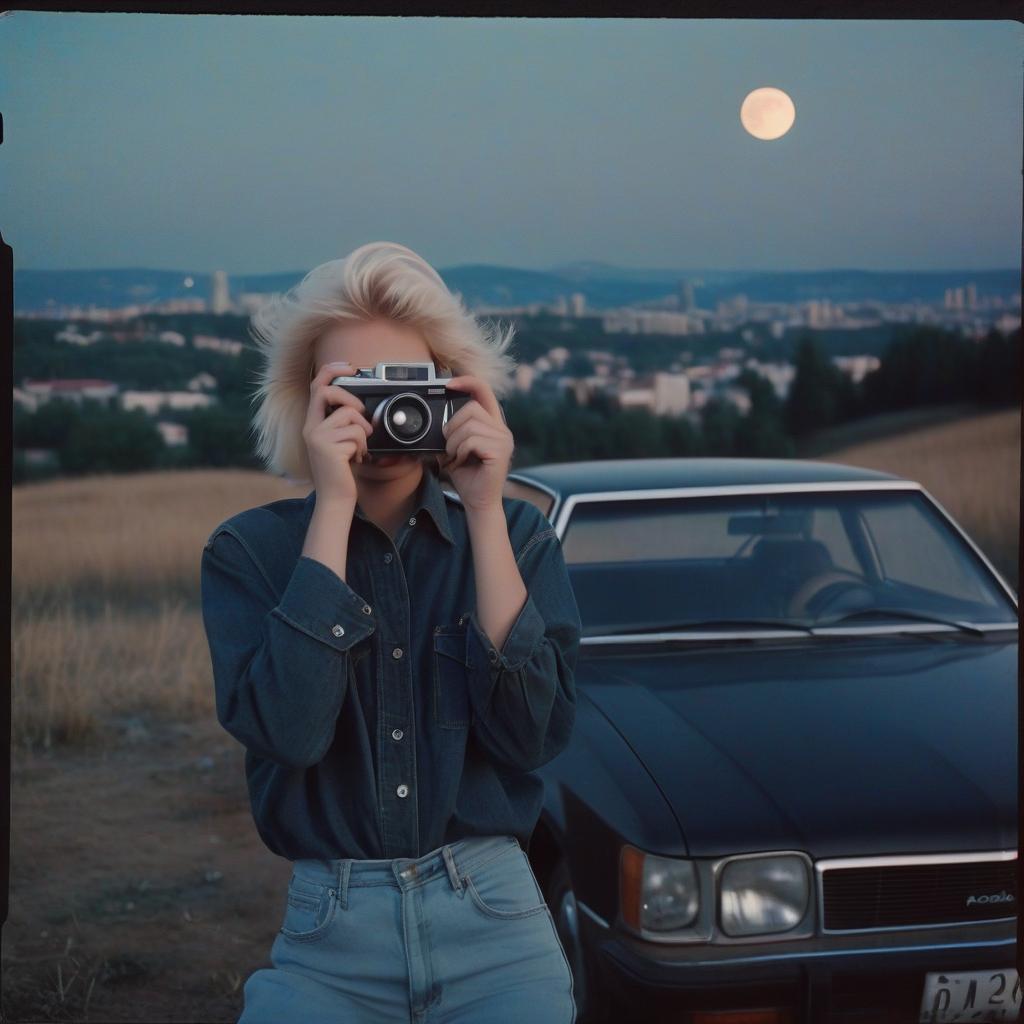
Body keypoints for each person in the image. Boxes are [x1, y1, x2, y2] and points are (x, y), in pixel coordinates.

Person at [199, 241, 581, 1023]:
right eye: (353, 392)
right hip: (331, 938)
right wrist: (331, 506)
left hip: (497, 922)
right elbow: (290, 733)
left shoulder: (517, 537)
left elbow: (532, 736)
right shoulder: (249, 553)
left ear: (453, 394)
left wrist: (482, 507)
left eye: (406, 390)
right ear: (306, 402)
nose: (383, 417)